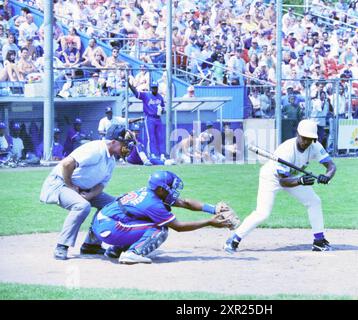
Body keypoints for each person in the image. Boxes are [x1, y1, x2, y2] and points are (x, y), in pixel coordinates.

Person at [224, 119, 337, 253]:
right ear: (298, 134)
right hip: (271, 178)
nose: (306, 141)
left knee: (314, 201)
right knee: (262, 213)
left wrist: (327, 176)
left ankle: (319, 241)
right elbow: (283, 181)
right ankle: (234, 239)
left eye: (310, 139)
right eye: (304, 138)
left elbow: (331, 165)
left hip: (293, 177)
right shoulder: (286, 150)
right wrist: (300, 181)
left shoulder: (315, 146)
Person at [39, 125, 136, 260]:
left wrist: (90, 195)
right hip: (59, 184)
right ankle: (62, 246)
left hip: (83, 188)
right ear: (113, 142)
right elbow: (67, 164)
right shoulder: (95, 149)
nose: (127, 148)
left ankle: (91, 245)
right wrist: (71, 186)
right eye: (124, 144)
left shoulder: (111, 160)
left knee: (113, 206)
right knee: (82, 206)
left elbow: (101, 185)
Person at [92, 170, 232, 264]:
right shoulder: (153, 204)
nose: (173, 190)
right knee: (160, 229)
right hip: (110, 227)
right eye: (170, 187)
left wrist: (213, 209)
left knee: (146, 222)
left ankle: (115, 250)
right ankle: (132, 253)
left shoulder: (150, 192)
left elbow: (184, 202)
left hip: (103, 222)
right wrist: (209, 222)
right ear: (160, 189)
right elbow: (178, 227)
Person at [128, 80, 166, 159]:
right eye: (153, 88)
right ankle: (153, 154)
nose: (154, 89)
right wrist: (130, 85)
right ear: (150, 88)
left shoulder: (160, 97)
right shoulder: (146, 95)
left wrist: (162, 111)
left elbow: (163, 109)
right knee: (151, 137)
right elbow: (136, 93)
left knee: (160, 137)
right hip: (149, 118)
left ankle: (162, 154)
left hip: (158, 118)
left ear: (157, 88)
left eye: (155, 88)